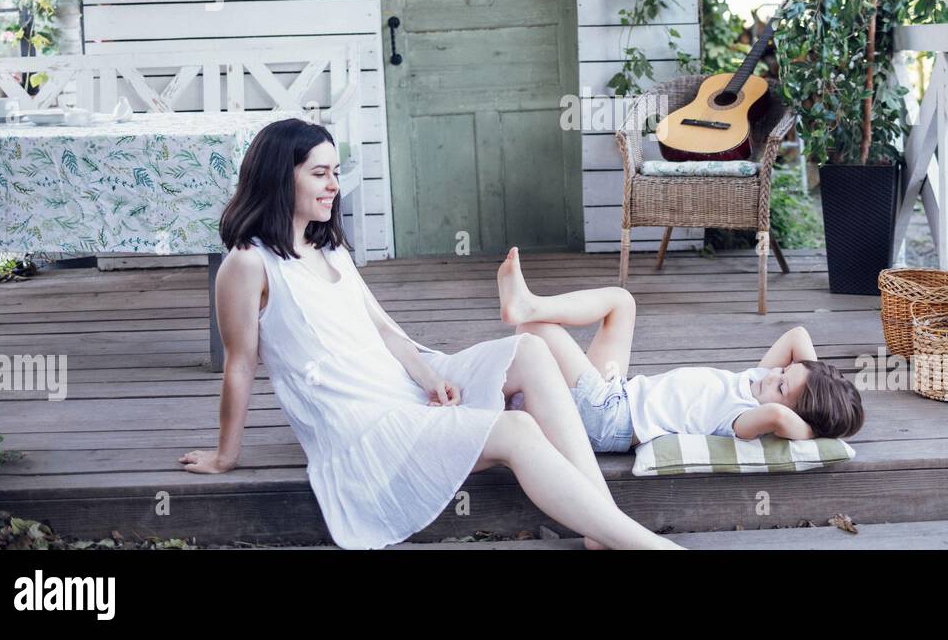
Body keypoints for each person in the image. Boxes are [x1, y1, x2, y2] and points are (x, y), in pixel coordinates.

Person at [178, 117, 678, 550]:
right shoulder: (247, 265)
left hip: (404, 385)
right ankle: (645, 543)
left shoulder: (327, 247)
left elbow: (386, 332)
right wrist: (226, 455)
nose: (334, 185)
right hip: (364, 423)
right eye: (319, 174)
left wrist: (428, 377)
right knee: (516, 429)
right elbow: (240, 364)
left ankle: (602, 521)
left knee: (529, 348)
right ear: (278, 180)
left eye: (335, 172)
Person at [496, 248, 865, 452]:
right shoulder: (760, 381)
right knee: (622, 302)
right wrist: (811, 379)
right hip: (618, 392)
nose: (775, 373)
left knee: (535, 332)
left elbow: (783, 419)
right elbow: (797, 335)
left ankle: (528, 314)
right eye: (785, 371)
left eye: (782, 386)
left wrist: (815, 429)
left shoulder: (747, 416)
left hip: (611, 420)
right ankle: (530, 304)